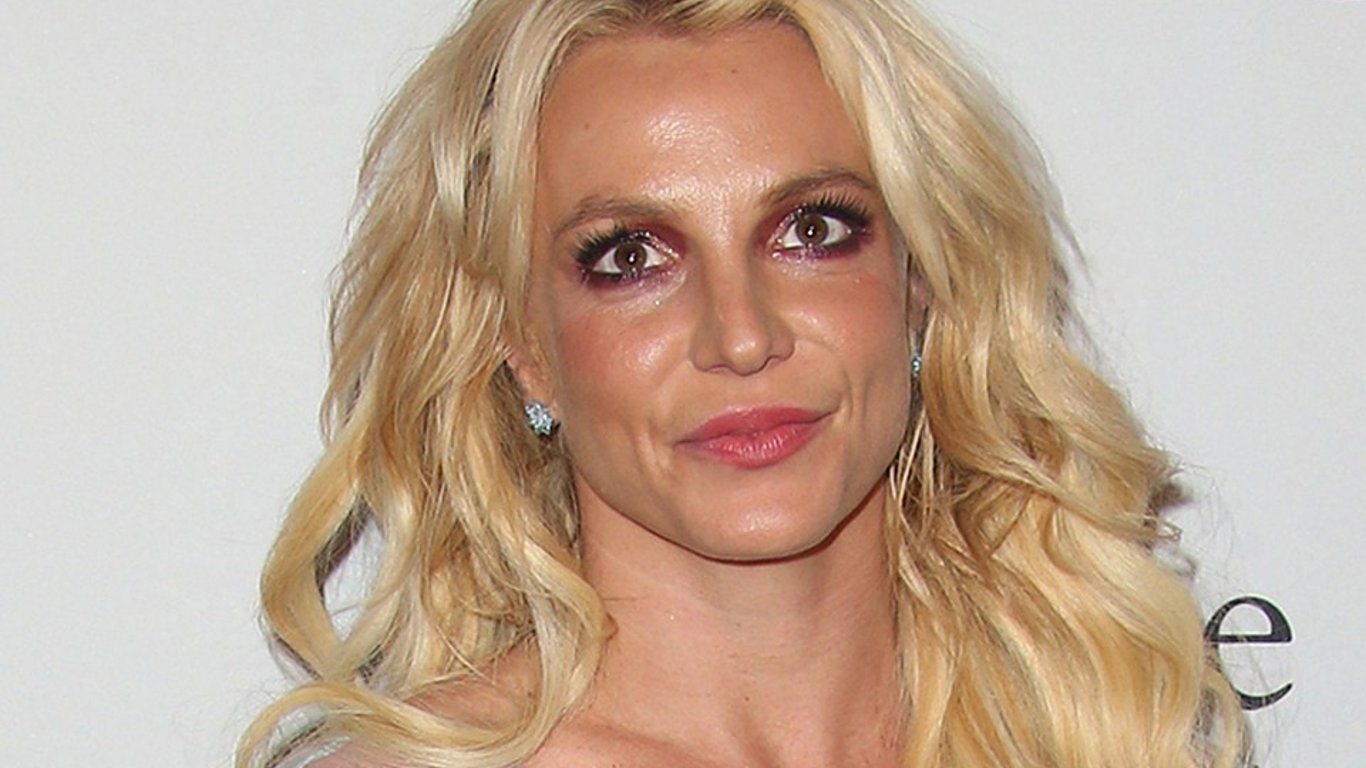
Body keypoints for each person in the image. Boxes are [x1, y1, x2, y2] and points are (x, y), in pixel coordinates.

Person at [240, 1, 1249, 766]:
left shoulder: (1094, 737)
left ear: (920, 287)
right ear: (524, 346)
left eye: (812, 230)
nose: (742, 335)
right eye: (630, 257)